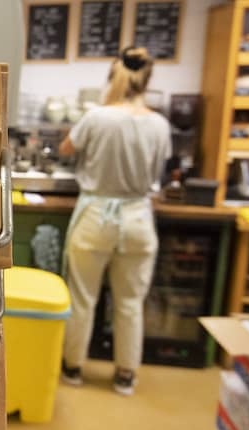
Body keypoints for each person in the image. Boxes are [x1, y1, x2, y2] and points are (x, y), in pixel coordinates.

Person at [57, 47, 171, 396]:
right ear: (148, 81)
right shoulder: (159, 124)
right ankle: (125, 375)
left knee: (83, 297)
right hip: (137, 216)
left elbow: (65, 149)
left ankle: (74, 367)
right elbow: (160, 169)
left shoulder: (97, 117)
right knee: (130, 300)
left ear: (113, 77)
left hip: (97, 216)